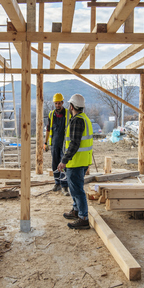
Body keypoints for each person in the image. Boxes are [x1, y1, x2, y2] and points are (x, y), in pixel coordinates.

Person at [57, 94, 93, 230]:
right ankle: (76, 210)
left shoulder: (77, 121)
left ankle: (83, 218)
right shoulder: (85, 118)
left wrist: (64, 161)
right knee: (75, 189)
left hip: (76, 162)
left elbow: (74, 144)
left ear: (71, 106)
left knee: (77, 191)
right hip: (82, 161)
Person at [45, 93, 69, 195]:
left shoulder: (68, 114)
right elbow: (48, 130)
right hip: (54, 143)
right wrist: (45, 143)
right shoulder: (51, 114)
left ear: (62, 103)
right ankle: (57, 183)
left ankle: (64, 186)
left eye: (59, 103)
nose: (58, 105)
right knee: (55, 164)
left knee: (63, 164)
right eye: (56, 103)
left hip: (64, 143)